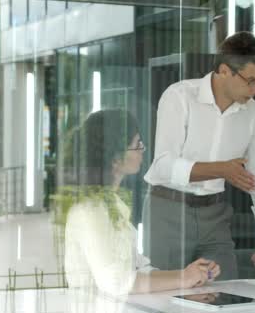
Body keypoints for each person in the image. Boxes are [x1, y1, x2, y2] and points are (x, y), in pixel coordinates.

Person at [143, 31, 255, 280]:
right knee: (165, 297)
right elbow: (163, 166)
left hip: (215, 216)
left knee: (226, 295)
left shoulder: (252, 113)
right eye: (250, 80)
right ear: (225, 70)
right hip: (167, 212)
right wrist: (222, 169)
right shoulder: (179, 96)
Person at [61, 109, 220, 297]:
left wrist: (194, 274)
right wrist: (184, 277)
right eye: (137, 145)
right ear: (116, 158)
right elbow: (116, 282)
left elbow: (140, 269)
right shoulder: (89, 211)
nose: (143, 150)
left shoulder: (113, 204)